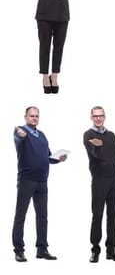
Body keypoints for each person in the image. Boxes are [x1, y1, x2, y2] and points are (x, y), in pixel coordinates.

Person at [12, 106, 67, 262]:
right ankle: (19, 250)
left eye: (36, 116)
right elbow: (18, 138)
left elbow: (47, 157)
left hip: (42, 181)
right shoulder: (20, 131)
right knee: (20, 215)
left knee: (42, 216)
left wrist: (58, 159)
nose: (34, 118)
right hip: (26, 180)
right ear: (25, 117)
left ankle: (42, 248)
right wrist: (20, 135)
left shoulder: (42, 135)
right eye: (31, 116)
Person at [83, 106, 115, 263]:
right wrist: (97, 147)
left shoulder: (111, 135)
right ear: (91, 117)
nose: (98, 118)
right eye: (95, 116)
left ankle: (111, 250)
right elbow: (95, 156)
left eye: (101, 116)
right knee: (97, 216)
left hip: (114, 180)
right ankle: (95, 250)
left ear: (104, 117)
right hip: (99, 180)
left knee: (113, 217)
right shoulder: (89, 134)